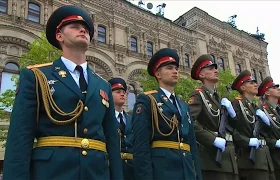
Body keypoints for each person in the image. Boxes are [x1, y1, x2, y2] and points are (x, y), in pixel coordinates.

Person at [3, 5, 122, 180]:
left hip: (97, 173)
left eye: (86, 29)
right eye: (74, 26)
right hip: (53, 172)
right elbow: (19, 139)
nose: (83, 30)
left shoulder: (103, 85)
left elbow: (112, 141)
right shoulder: (37, 76)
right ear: (59, 36)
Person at [132, 48, 202, 180]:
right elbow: (141, 147)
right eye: (169, 68)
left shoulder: (184, 106)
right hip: (163, 171)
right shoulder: (148, 100)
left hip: (187, 171)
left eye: (176, 68)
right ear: (158, 74)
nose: (175, 71)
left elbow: (192, 145)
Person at [188, 54, 238, 180]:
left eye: (215, 68)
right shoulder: (198, 95)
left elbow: (231, 127)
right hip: (210, 158)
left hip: (229, 157)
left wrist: (233, 114)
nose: (216, 71)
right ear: (202, 75)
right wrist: (212, 139)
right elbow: (189, 122)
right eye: (210, 68)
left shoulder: (219, 99)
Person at [230, 70, 275, 180]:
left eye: (255, 83)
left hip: (265, 159)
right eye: (251, 83)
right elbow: (231, 128)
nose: (256, 85)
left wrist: (268, 123)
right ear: (243, 88)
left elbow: (267, 132)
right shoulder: (236, 104)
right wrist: (246, 141)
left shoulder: (256, 108)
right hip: (249, 159)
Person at [109, 77, 135, 180]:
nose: (122, 94)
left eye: (124, 92)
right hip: (112, 168)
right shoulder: (105, 118)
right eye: (118, 91)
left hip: (131, 170)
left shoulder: (132, 120)